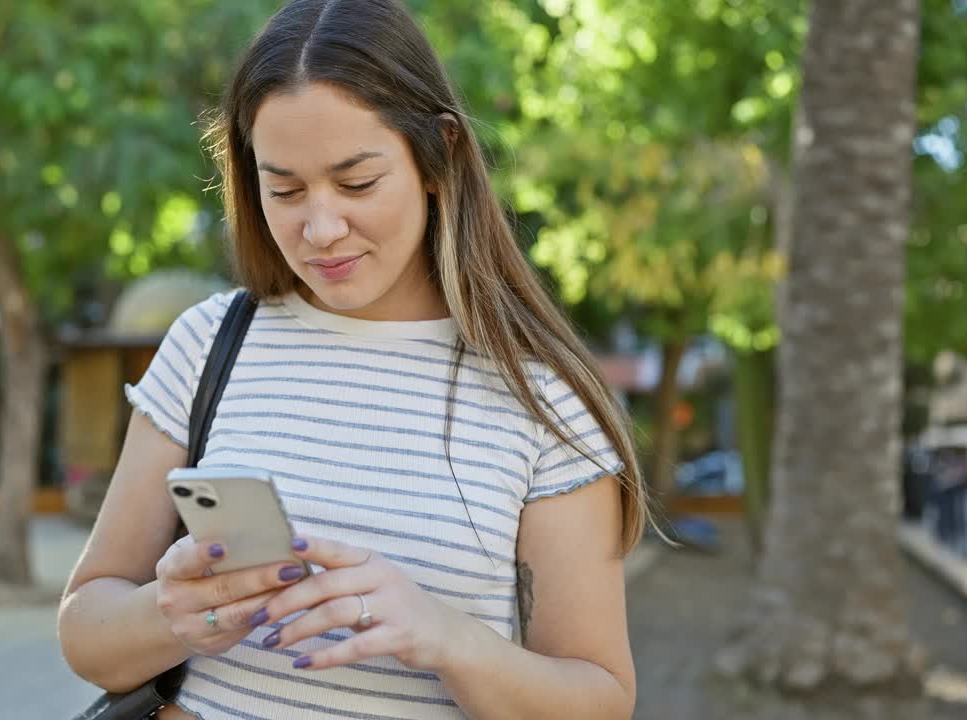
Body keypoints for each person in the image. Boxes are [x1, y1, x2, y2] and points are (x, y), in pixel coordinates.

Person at [58, 1, 652, 717]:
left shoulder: (542, 401)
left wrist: (442, 635)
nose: (321, 228)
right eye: (284, 189)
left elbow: (600, 699)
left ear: (439, 156)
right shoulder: (208, 343)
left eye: (357, 183)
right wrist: (174, 613)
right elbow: (87, 627)